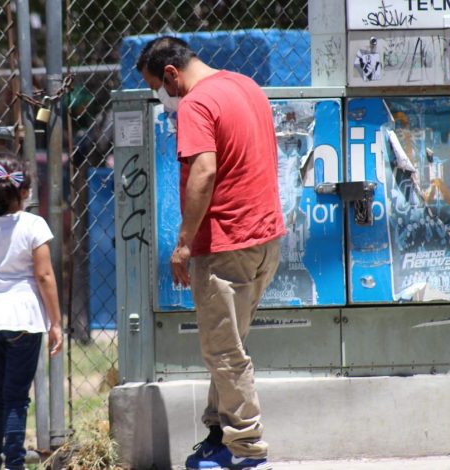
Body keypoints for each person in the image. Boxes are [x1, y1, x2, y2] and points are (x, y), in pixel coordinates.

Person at [137, 36, 285, 470]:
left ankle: (246, 449)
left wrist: (184, 243)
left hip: (226, 244)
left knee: (224, 353)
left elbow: (204, 170)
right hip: (264, 239)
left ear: (171, 74)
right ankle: (219, 436)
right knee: (229, 347)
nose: (161, 98)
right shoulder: (245, 86)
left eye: (157, 88)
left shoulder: (197, 104)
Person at [0, 153, 63, 470]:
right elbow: (44, 276)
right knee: (17, 398)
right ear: (23, 190)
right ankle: (15, 464)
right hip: (23, 318)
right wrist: (56, 323)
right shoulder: (34, 225)